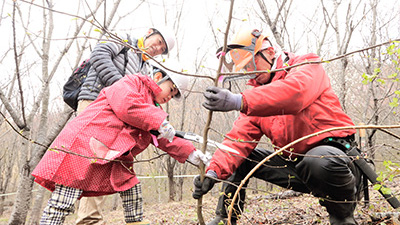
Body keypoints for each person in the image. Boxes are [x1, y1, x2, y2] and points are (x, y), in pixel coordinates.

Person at [192, 28, 362, 225]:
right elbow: (237, 141)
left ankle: (342, 218)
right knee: (241, 158)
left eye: (252, 64)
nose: (250, 72)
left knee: (319, 161)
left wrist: (240, 101)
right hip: (296, 166)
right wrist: (213, 172)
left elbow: (296, 94)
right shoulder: (256, 95)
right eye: (245, 68)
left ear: (270, 52)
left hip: (336, 162)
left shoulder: (306, 64)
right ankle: (224, 219)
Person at [32, 65, 210, 225]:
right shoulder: (132, 83)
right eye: (170, 90)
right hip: (83, 145)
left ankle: (135, 222)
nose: (169, 97)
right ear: (158, 77)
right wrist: (159, 122)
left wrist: (190, 153)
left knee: (131, 187)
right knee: (64, 200)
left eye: (172, 96)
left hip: (112, 153)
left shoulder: (153, 110)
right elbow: (128, 105)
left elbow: (162, 137)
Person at [75, 27, 176, 225]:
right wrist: (122, 88)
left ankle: (90, 219)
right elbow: (99, 55)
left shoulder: (143, 68)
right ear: (149, 32)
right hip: (94, 103)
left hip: (115, 113)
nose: (157, 48)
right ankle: (88, 221)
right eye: (158, 41)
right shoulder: (123, 40)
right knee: (96, 162)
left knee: (107, 162)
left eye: (162, 49)